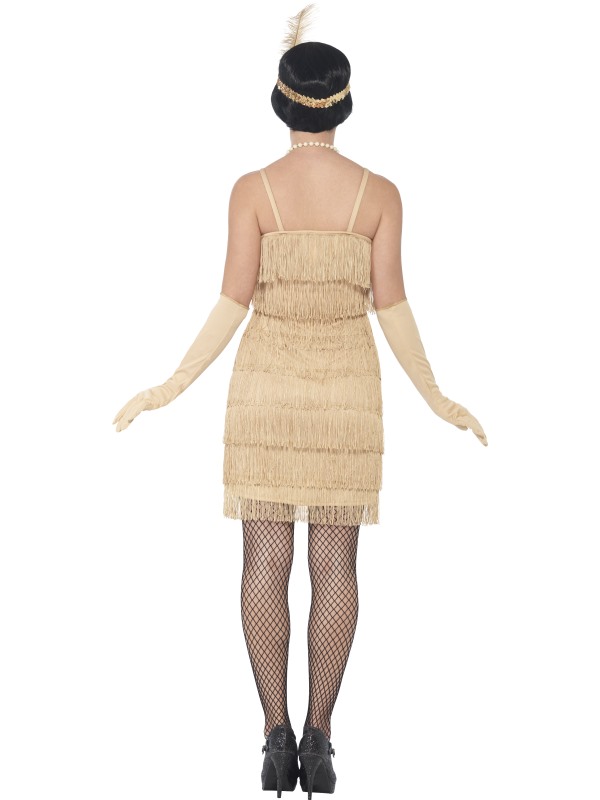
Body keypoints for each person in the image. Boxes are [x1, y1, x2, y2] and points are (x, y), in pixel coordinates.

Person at [112, 5, 487, 797]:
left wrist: (170, 385)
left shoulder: (253, 191)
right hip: (349, 396)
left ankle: (273, 736)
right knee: (335, 565)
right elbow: (394, 310)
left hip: (266, 394)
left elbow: (230, 304)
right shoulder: (380, 195)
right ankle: (321, 739)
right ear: (344, 107)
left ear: (281, 104)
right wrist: (436, 396)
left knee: (264, 562)